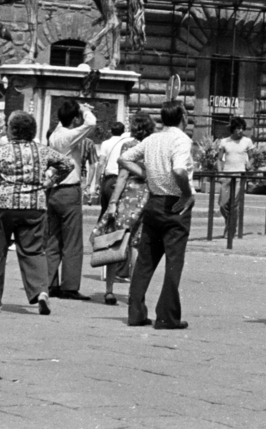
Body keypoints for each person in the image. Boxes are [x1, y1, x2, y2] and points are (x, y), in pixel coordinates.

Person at [0, 110, 74, 315]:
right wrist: (51, 181)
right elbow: (68, 164)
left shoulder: (2, 151)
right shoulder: (42, 150)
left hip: (2, 205)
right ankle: (41, 291)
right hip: (34, 204)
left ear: (12, 131)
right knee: (33, 251)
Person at [113, 101, 195, 329]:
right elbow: (179, 170)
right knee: (173, 262)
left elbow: (124, 159)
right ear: (183, 117)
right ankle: (167, 316)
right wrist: (186, 193)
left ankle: (136, 312)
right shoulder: (181, 139)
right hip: (175, 205)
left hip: (153, 202)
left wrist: (147, 175)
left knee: (145, 262)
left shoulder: (152, 139)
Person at [44, 97, 97, 301]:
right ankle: (70, 286)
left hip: (54, 191)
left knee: (53, 238)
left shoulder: (55, 134)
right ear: (74, 119)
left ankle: (50, 282)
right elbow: (91, 123)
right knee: (73, 241)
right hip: (69, 189)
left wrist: (75, 111)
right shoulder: (69, 136)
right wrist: (83, 109)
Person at [101, 112, 156, 306]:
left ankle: (109, 290)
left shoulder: (129, 146)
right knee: (136, 247)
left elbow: (122, 176)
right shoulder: (153, 147)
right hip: (147, 197)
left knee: (116, 242)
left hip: (128, 198)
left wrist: (113, 202)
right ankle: (134, 291)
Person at [217, 117, 253, 238]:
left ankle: (230, 230)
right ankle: (230, 223)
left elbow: (252, 157)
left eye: (242, 128)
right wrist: (220, 174)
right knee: (222, 204)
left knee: (234, 204)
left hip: (239, 176)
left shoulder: (247, 141)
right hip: (227, 175)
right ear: (233, 129)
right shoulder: (224, 142)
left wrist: (250, 163)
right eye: (238, 128)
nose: (240, 130)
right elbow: (219, 159)